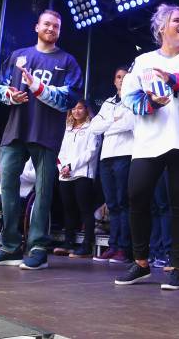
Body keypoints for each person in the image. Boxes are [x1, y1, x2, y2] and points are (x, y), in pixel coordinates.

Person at [114, 3, 179, 290]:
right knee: (136, 195)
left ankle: (175, 265)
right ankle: (141, 263)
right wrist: (150, 103)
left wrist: (175, 80)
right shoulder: (144, 60)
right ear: (161, 28)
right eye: (176, 20)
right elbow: (128, 96)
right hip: (149, 141)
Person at [0, 9, 83, 270]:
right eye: (47, 24)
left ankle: (37, 247)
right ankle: (10, 247)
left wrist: (39, 88)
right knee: (7, 189)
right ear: (36, 27)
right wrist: (9, 95)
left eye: (56, 26)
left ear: (59, 31)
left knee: (44, 192)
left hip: (46, 134)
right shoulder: (18, 56)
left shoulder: (68, 61)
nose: (51, 28)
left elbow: (70, 98)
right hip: (15, 130)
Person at [89, 67, 135, 263]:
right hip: (106, 157)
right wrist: (112, 121)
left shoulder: (134, 99)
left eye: (125, 77)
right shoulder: (108, 102)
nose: (122, 80)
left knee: (123, 203)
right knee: (112, 204)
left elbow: (129, 124)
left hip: (125, 154)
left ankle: (124, 249)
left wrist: (108, 124)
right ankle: (113, 245)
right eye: (118, 77)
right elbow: (94, 127)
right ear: (114, 81)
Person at [54, 100, 100, 258]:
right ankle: (68, 243)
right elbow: (61, 152)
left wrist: (71, 166)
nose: (76, 111)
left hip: (82, 174)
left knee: (85, 210)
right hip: (65, 176)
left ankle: (87, 245)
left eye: (80, 108)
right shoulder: (68, 129)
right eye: (74, 108)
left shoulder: (92, 128)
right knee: (68, 210)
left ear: (87, 110)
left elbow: (91, 152)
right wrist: (62, 168)